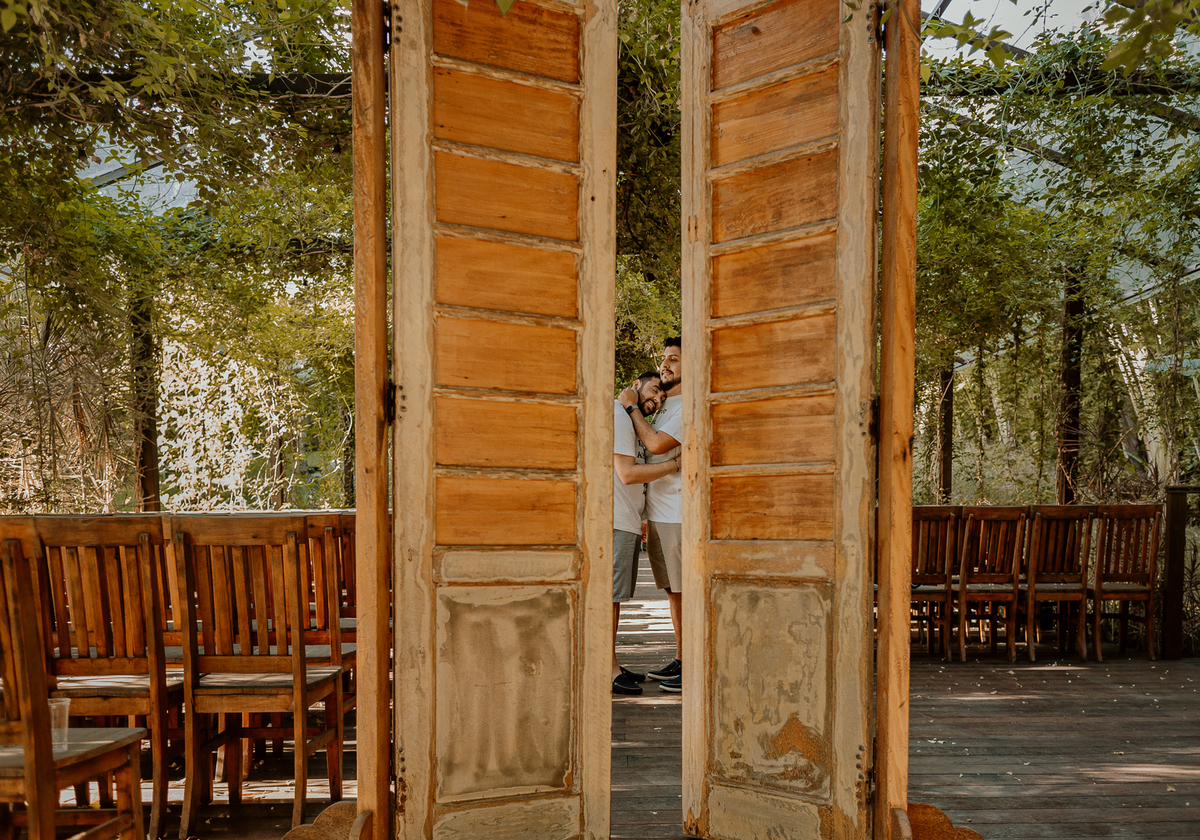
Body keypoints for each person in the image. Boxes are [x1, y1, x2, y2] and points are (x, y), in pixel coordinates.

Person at [619, 337, 683, 693]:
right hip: (658, 513)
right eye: (664, 358)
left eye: (674, 359)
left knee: (683, 591)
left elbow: (657, 444)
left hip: (678, 514)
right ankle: (680, 655)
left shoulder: (686, 406)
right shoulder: (663, 406)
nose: (666, 364)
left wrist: (631, 409)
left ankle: (690, 661)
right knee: (672, 591)